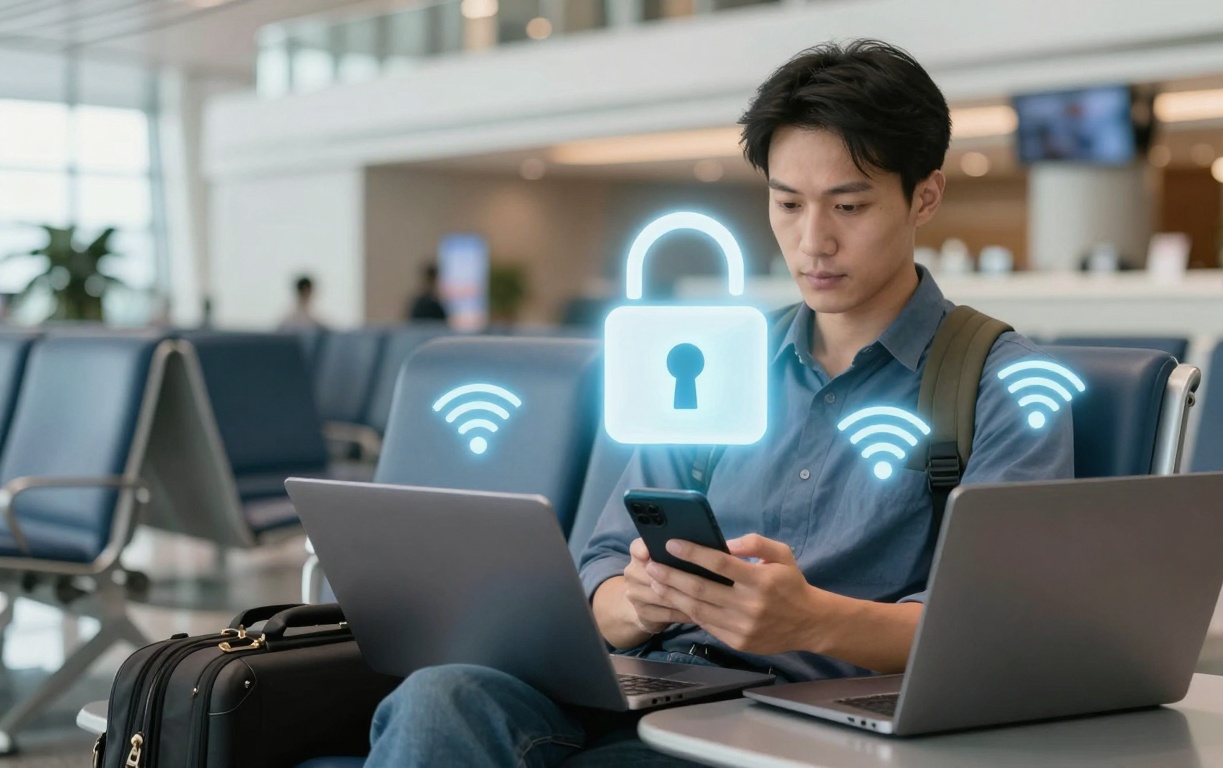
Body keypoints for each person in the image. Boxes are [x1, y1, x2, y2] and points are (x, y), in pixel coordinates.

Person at [363, 39, 1075, 767]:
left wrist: (812, 621)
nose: (812, 242)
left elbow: (993, 626)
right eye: (787, 203)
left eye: (849, 206)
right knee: (438, 699)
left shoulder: (998, 385)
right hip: (656, 682)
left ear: (925, 194)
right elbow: (602, 570)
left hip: (806, 722)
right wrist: (635, 601)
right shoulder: (719, 360)